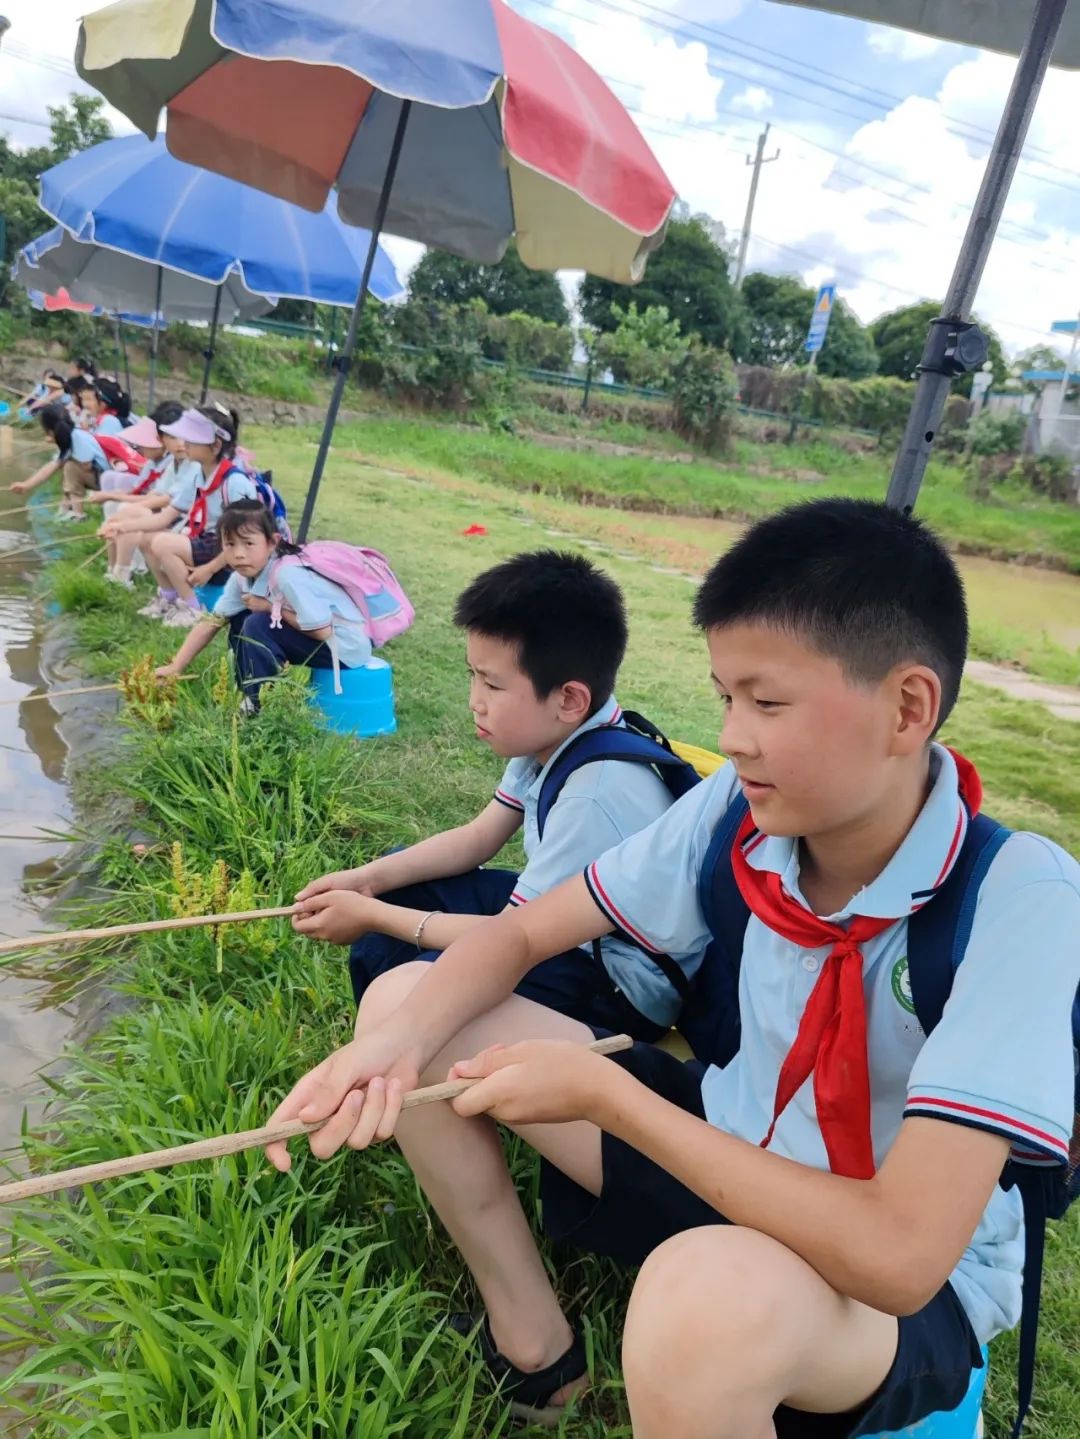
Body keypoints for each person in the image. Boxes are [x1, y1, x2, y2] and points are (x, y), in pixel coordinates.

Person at [266, 499, 1080, 1438]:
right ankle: (534, 1345)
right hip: (734, 1140)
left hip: (895, 1288)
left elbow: (899, 1254)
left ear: (906, 708)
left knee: (699, 1306)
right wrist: (394, 1047)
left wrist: (610, 1100)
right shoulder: (739, 808)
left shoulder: (1017, 895)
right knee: (414, 1000)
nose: (731, 735)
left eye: (766, 702)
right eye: (726, 696)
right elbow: (528, 934)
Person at [293, 550, 689, 1039]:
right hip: (568, 931)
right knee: (395, 884)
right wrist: (365, 881)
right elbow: (480, 836)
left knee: (440, 979)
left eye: (493, 684)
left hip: (617, 980)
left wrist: (371, 915)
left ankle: (405, 1043)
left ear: (569, 699)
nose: (474, 701)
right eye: (472, 675)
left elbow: (509, 939)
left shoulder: (594, 795)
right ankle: (388, 1042)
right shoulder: (554, 736)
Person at [155, 499, 374, 707]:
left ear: (272, 543)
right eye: (230, 544)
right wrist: (177, 665)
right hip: (321, 640)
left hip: (343, 648)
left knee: (256, 623)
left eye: (248, 543)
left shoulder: (288, 575)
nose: (238, 554)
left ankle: (262, 702)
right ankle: (250, 692)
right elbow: (212, 622)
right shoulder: (241, 578)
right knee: (239, 616)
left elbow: (322, 631)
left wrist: (270, 607)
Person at [143, 405, 257, 629]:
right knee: (148, 539)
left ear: (215, 446)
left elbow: (244, 541)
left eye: (192, 440)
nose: (184, 444)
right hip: (211, 541)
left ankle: (193, 609)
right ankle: (169, 599)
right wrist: (120, 526)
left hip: (230, 552)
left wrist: (210, 568)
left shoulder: (235, 483)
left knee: (163, 543)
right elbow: (165, 517)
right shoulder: (199, 473)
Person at [97, 409, 201, 592]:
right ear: (161, 439)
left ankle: (124, 573)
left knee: (131, 512)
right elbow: (157, 495)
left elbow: (167, 500)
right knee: (125, 510)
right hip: (172, 515)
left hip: (185, 521)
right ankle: (114, 569)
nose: (180, 444)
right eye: (172, 438)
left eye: (183, 438)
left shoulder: (193, 465)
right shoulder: (175, 464)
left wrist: (125, 508)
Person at [7, 403, 108, 518]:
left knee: (70, 468)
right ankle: (67, 509)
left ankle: (78, 515)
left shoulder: (78, 438)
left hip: (105, 480)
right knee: (68, 467)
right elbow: (51, 466)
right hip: (98, 477)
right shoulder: (71, 437)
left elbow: (86, 466)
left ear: (50, 431)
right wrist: (27, 485)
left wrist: (64, 463)